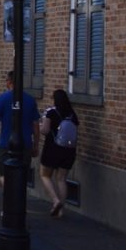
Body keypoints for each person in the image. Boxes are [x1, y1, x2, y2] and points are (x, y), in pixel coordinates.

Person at [0, 70, 40, 185]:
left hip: (6, 143)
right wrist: (36, 145)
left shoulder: (2, 99)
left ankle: (9, 194)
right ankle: (17, 197)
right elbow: (36, 126)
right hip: (26, 144)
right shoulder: (30, 100)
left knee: (2, 173)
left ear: (9, 82)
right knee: (22, 176)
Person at [40, 88, 79, 217]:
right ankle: (60, 211)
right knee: (61, 179)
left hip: (52, 148)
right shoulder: (72, 114)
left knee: (45, 175)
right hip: (69, 150)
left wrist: (39, 127)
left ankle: (56, 201)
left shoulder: (51, 112)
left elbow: (45, 130)